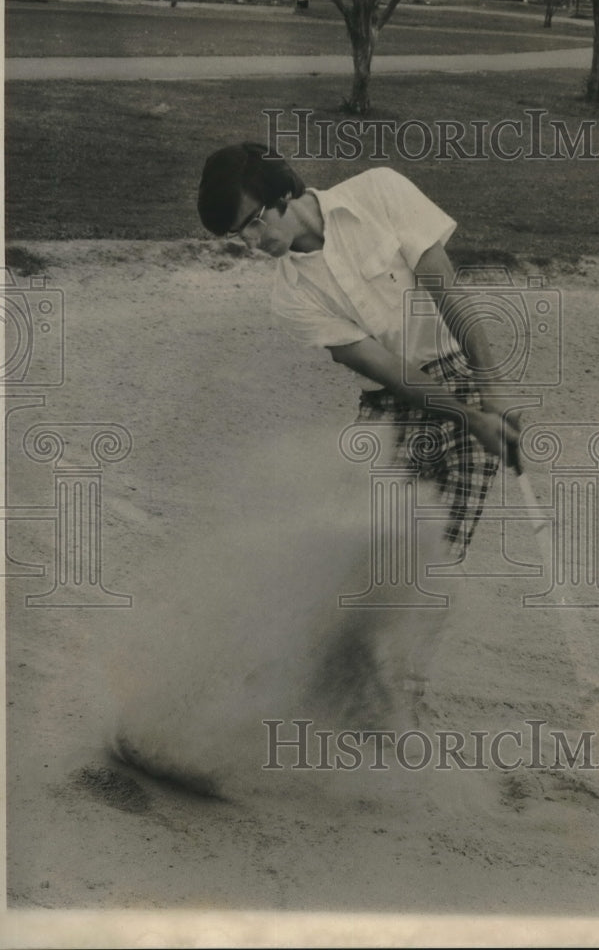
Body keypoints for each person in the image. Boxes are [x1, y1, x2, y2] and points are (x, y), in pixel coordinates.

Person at [197, 142, 523, 725]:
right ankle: (279, 675)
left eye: (250, 225)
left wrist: (490, 386)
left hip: (464, 376)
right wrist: (472, 416)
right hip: (394, 402)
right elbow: (391, 373)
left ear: (282, 195)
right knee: (347, 549)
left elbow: (449, 292)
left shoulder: (380, 190)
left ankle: (402, 700)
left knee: (438, 558)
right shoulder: (289, 294)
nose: (250, 244)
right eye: (237, 236)